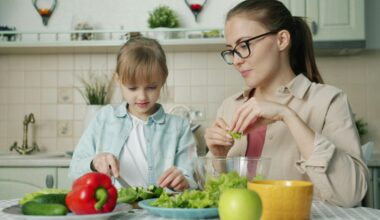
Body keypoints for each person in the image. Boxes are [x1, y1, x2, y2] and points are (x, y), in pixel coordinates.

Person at [204, 0, 368, 207]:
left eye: (244, 45)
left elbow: (350, 195)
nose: (236, 60)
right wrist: (219, 157)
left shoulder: (329, 101)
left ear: (282, 40)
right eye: (232, 50)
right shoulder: (229, 106)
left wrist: (287, 115)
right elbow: (213, 198)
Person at [69, 37, 197, 191]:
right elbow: (74, 170)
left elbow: (193, 178)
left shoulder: (179, 127)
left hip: (159, 212)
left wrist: (184, 181)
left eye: (151, 87)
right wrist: (94, 162)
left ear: (163, 80)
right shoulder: (104, 118)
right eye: (132, 88)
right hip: (114, 210)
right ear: (118, 79)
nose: (142, 96)